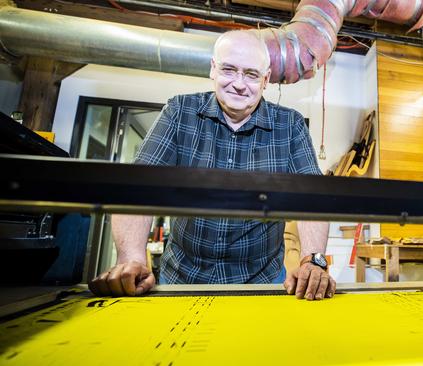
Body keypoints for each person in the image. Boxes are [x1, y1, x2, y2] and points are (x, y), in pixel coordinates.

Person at [89, 30, 335, 301]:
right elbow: (139, 186)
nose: (239, 84)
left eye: (251, 74)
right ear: (213, 70)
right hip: (182, 280)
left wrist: (314, 261)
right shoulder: (179, 112)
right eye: (229, 70)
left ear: (265, 80)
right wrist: (131, 258)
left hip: (261, 283)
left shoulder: (290, 126)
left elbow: (314, 198)